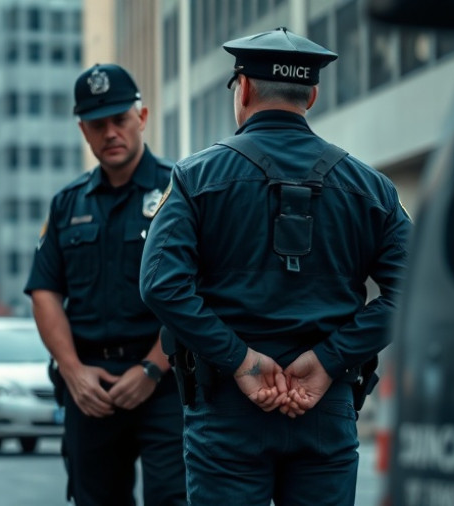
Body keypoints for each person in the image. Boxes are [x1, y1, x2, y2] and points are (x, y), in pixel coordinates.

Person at [140, 28, 413, 505]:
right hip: (325, 408)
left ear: (242, 88)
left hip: (226, 408)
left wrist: (241, 361)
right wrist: (329, 359)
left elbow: (162, 286)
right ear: (311, 94)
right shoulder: (372, 188)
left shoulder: (195, 177)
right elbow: (412, 289)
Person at [24, 63, 186, 506]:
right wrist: (73, 371)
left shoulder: (181, 193)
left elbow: (199, 290)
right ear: (83, 130)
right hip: (90, 386)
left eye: (120, 120)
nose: (110, 132)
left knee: (174, 499)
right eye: (98, 124)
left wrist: (153, 368)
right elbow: (45, 291)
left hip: (167, 383)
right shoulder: (67, 205)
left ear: (143, 117)